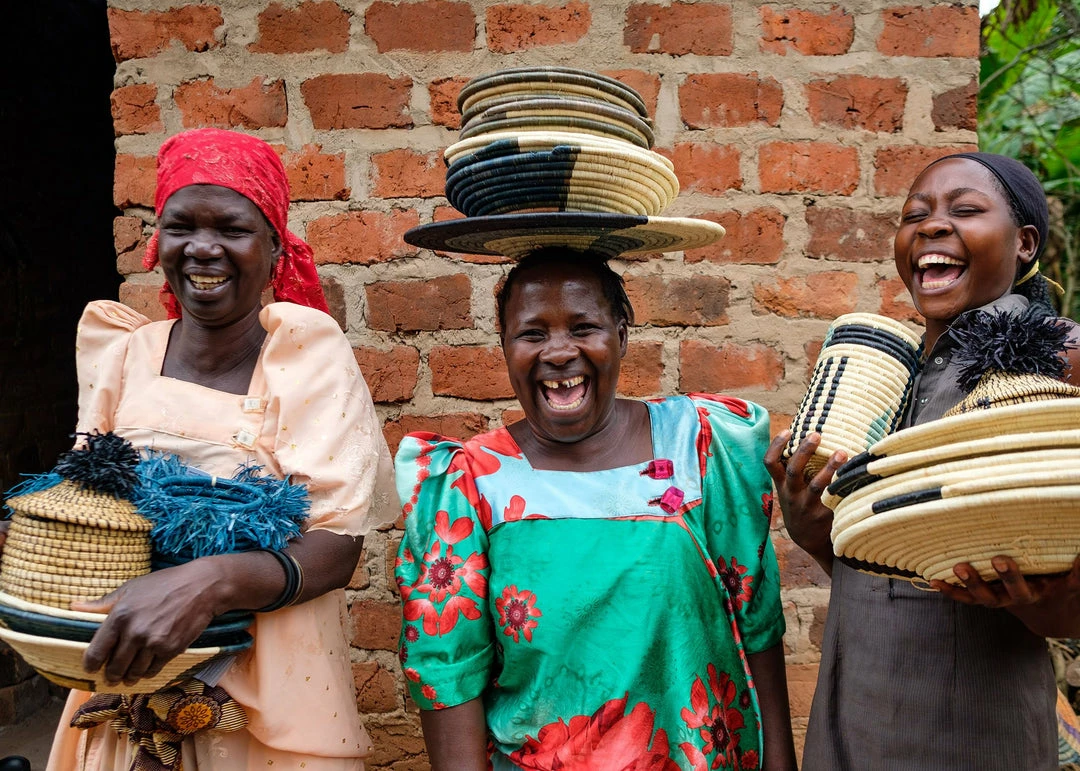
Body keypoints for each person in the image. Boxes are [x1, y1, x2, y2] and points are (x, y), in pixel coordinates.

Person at [32, 127, 398, 771]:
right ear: (157, 241)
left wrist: (210, 581)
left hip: (268, 698)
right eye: (181, 226)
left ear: (274, 247)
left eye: (232, 228)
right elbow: (91, 500)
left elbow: (336, 552)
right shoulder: (124, 355)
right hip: (129, 678)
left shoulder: (303, 354)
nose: (203, 248)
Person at [394, 249, 798, 770]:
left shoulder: (700, 444)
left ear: (622, 335)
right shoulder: (468, 483)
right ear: (504, 346)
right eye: (532, 334)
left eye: (584, 327)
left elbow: (756, 618)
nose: (559, 352)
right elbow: (447, 670)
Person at [765, 152, 1080, 770]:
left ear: (1024, 244)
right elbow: (896, 572)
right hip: (853, 716)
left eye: (965, 210)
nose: (932, 227)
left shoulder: (1055, 355)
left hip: (972, 731)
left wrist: (1042, 602)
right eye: (915, 216)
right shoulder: (883, 376)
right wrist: (814, 532)